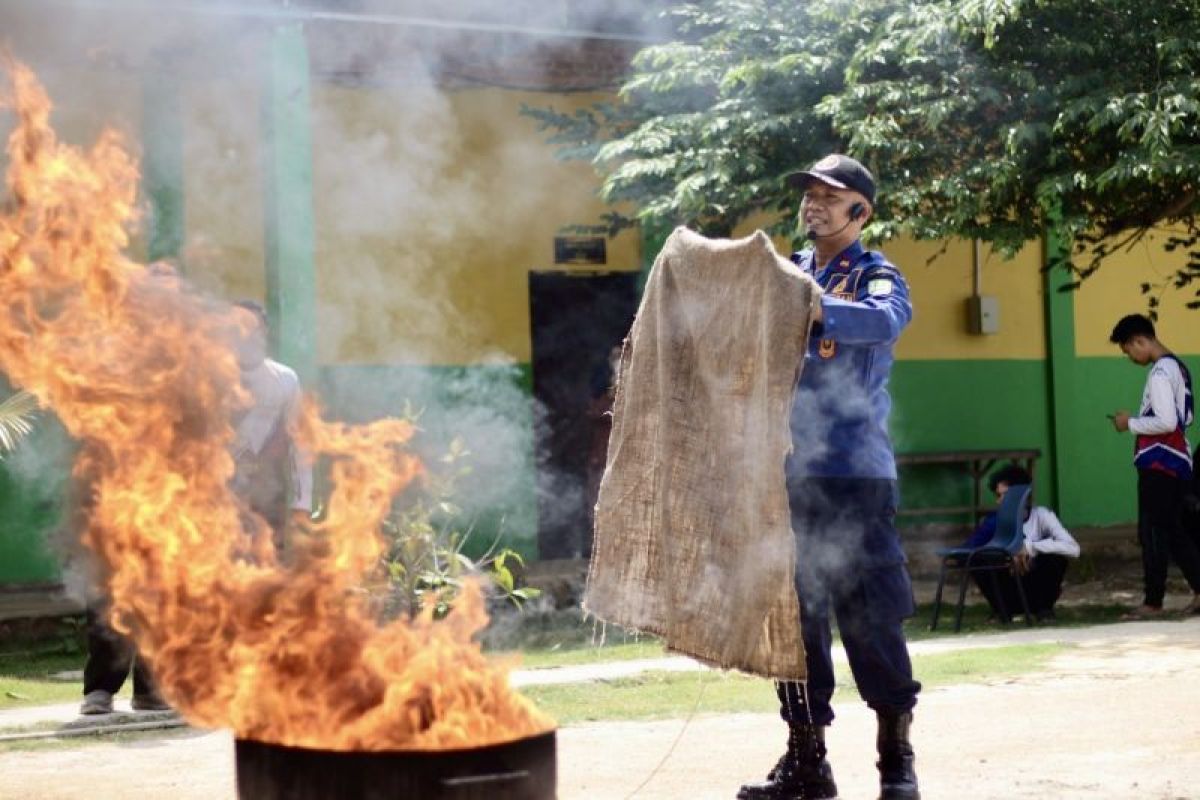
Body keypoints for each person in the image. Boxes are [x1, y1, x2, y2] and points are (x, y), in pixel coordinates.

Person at [738, 154, 919, 800]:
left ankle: (896, 762)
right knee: (792, 621)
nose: (813, 203)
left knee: (871, 616)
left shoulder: (876, 274)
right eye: (808, 193)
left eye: (828, 195)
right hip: (789, 476)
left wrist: (814, 306)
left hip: (855, 478)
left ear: (859, 211)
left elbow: (886, 320)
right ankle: (807, 762)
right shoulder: (792, 270)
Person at [1109, 314, 1200, 618]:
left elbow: (1167, 421)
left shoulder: (1160, 373)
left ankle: (1153, 602)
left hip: (1160, 461)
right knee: (1172, 530)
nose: (1130, 357)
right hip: (1176, 461)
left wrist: (1129, 423)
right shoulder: (1178, 367)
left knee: (1154, 532)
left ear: (1140, 341)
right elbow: (1182, 419)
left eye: (1128, 350)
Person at [229, 300, 313, 553]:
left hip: (267, 496)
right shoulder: (208, 377)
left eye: (255, 327)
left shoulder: (285, 380)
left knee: (268, 569)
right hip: (219, 497)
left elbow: (300, 445)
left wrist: (302, 503)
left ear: (265, 332)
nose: (249, 335)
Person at [961, 463, 1080, 622]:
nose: (999, 501)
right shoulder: (994, 521)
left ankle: (1044, 610)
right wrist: (1005, 556)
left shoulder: (1042, 516)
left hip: (1036, 586)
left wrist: (1030, 547)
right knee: (977, 560)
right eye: (997, 495)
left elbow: (1073, 548)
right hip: (1008, 585)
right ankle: (1002, 610)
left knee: (1055, 558)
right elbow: (967, 550)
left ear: (1022, 495)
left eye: (1005, 495)